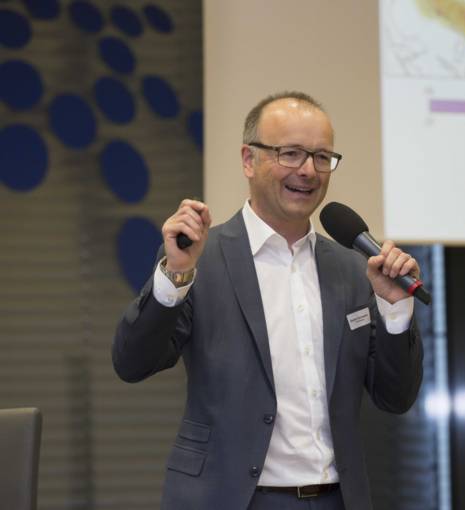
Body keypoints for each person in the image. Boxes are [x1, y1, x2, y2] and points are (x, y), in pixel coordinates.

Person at [112, 91, 424, 510]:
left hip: (336, 499)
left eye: (321, 157)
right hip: (229, 499)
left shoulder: (353, 270)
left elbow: (395, 397)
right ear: (249, 160)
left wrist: (395, 310)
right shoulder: (200, 258)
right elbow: (132, 363)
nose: (308, 171)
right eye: (290, 153)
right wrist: (175, 276)